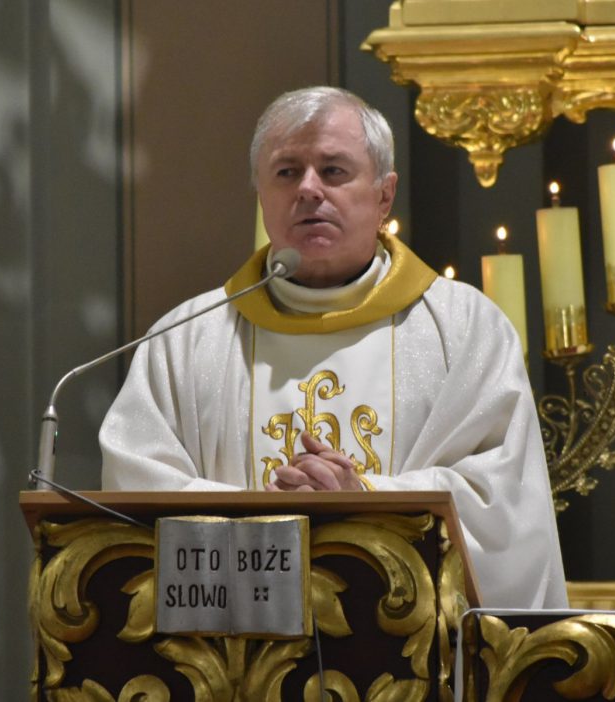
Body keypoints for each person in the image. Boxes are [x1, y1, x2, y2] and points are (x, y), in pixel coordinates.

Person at [100, 86, 567, 609]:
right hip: (228, 644)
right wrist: (266, 521)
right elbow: (132, 494)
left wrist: (363, 497)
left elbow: (504, 503)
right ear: (261, 194)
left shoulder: (466, 331)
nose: (308, 189)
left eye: (334, 170)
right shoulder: (185, 340)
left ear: (384, 195)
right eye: (286, 172)